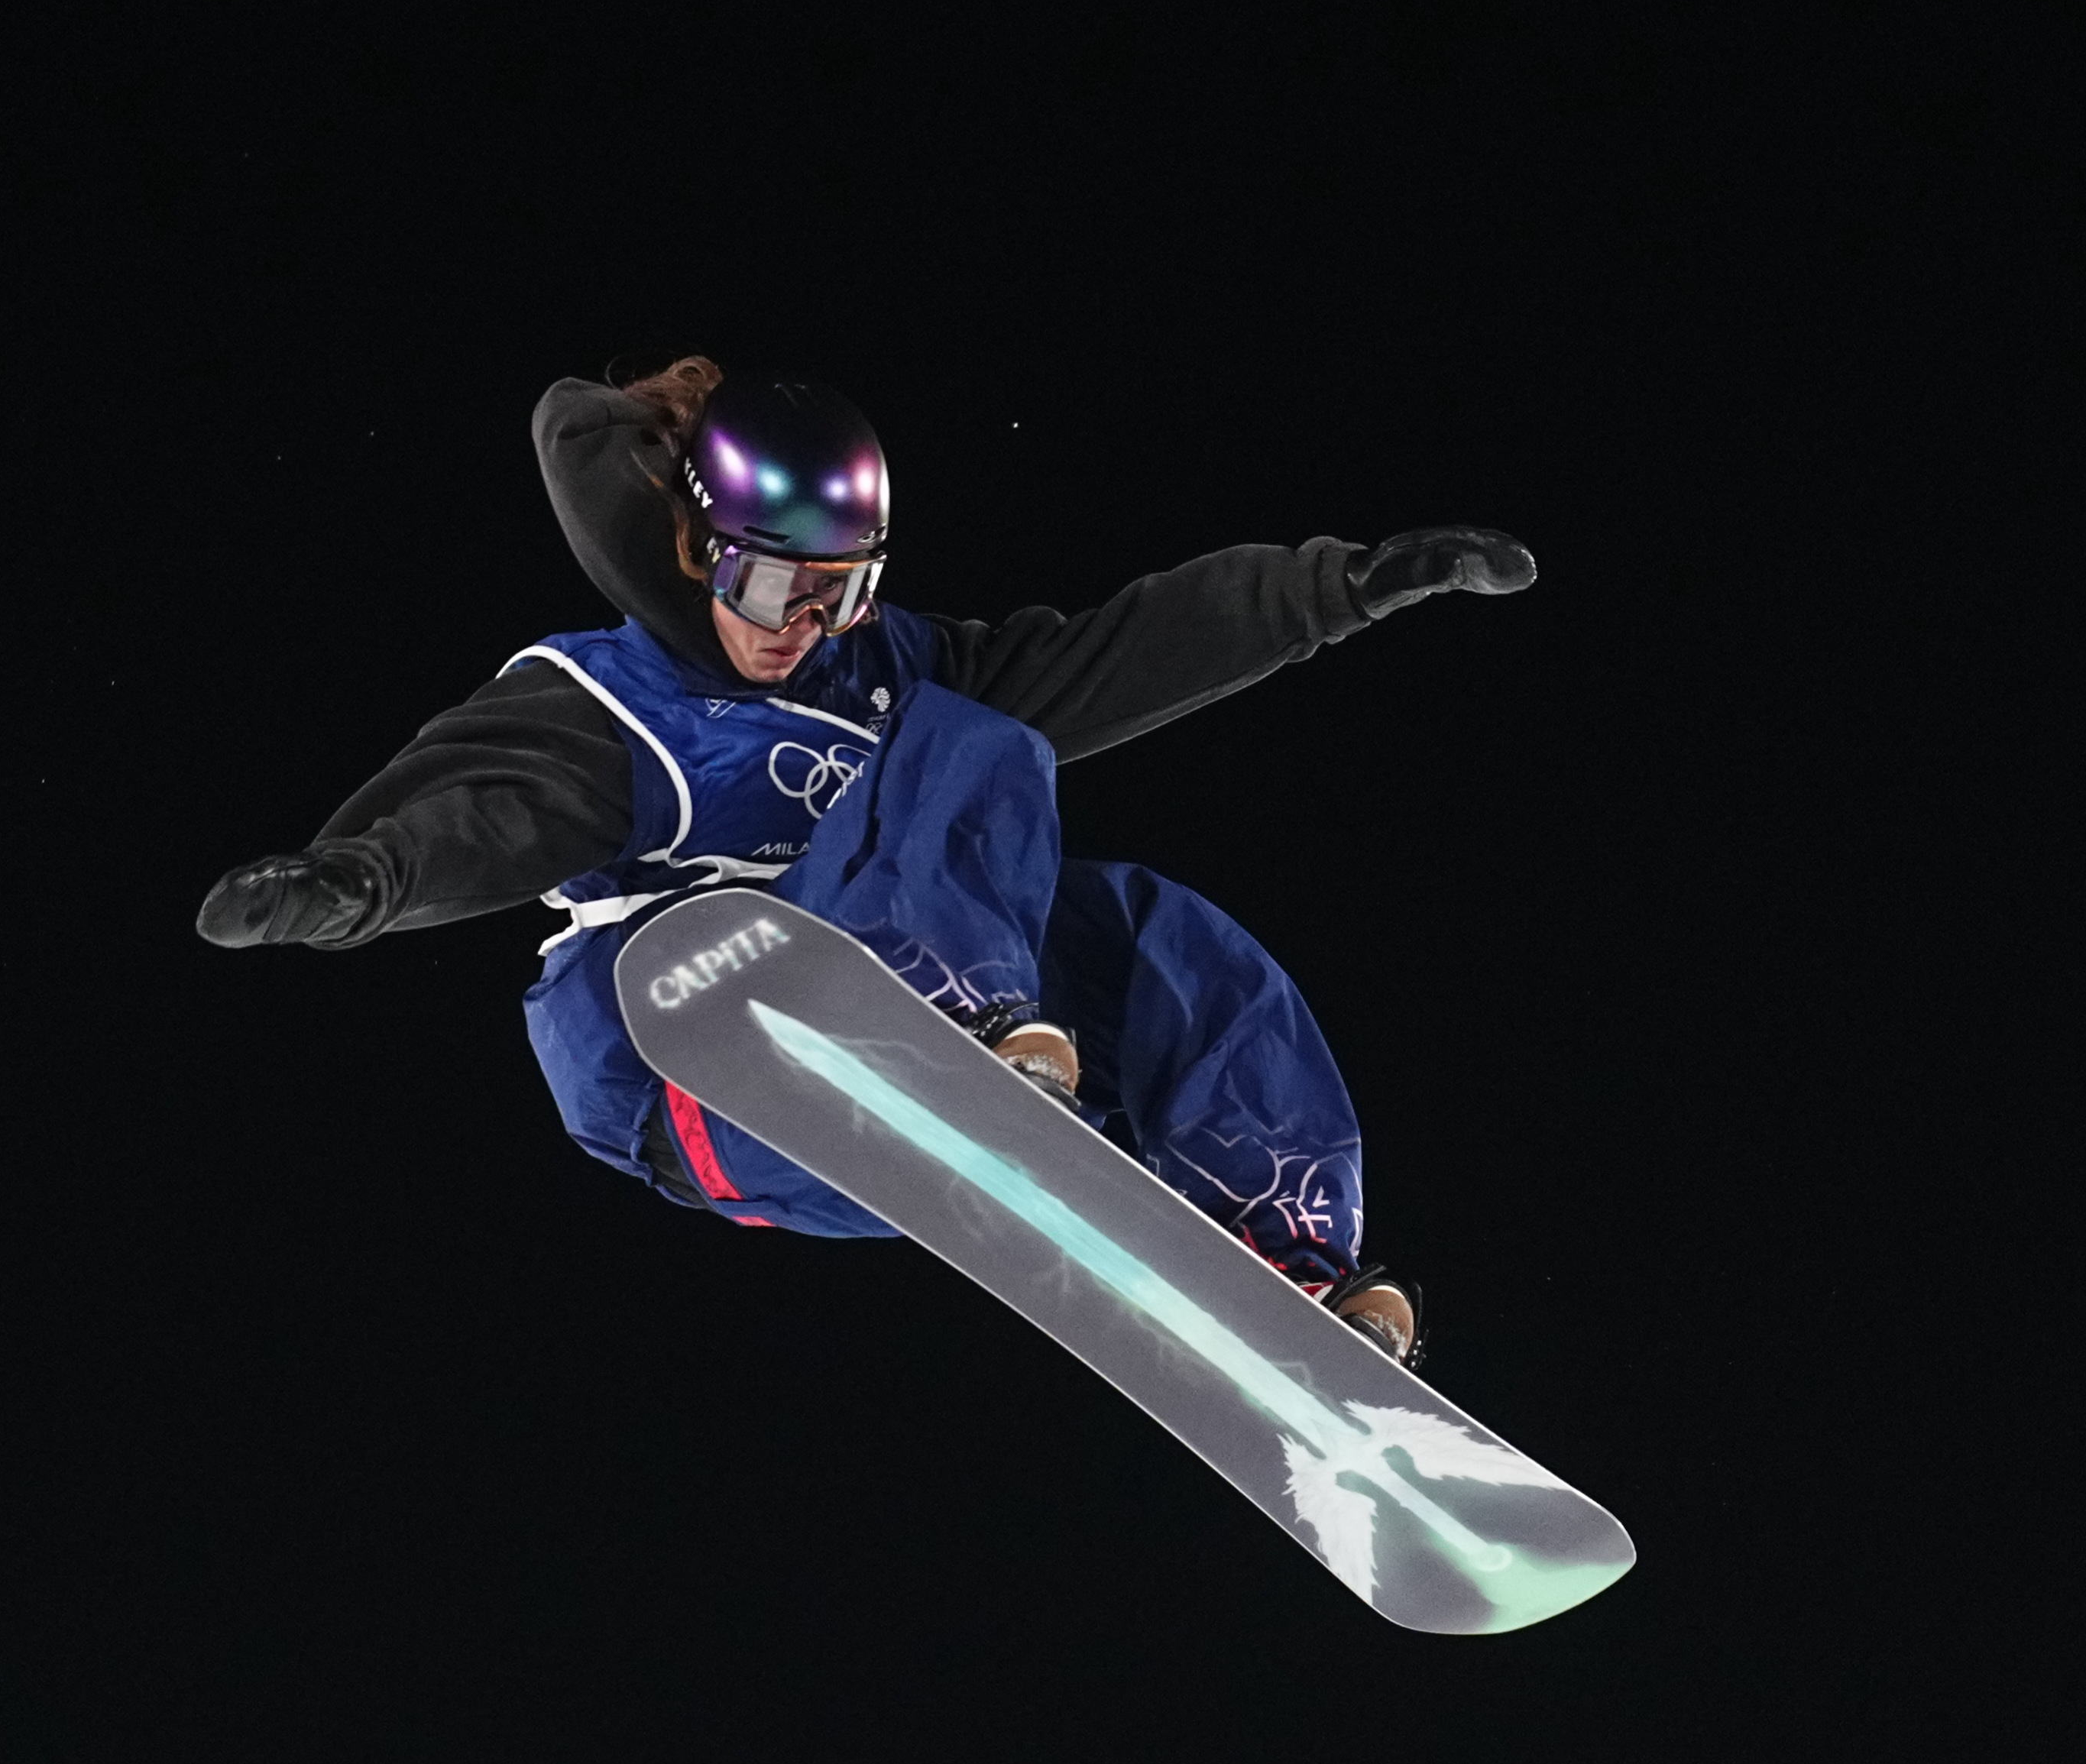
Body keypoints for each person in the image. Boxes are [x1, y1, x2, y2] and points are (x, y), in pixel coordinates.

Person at [194, 352, 1539, 1367]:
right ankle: (944, 1028)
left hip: (868, 1092)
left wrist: (1340, 588)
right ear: (694, 545)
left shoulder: (880, 669)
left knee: (1145, 921)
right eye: (778, 589)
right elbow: (479, 811)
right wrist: (355, 882)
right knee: (969, 749)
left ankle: (1281, 1242)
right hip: (691, 1057)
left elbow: (1115, 649)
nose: (806, 627)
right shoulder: (610, 701)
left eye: (844, 593)